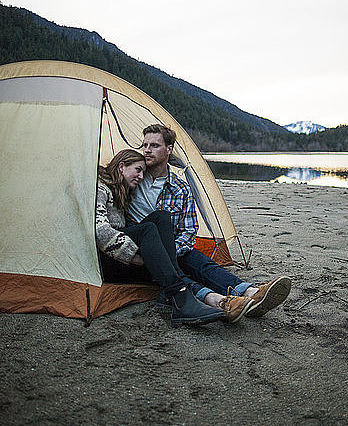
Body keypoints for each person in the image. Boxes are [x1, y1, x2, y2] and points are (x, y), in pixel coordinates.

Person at [127, 125, 292, 319]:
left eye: (154, 145)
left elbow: (188, 231)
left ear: (169, 149)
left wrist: (171, 249)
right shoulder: (133, 175)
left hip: (172, 246)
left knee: (199, 262)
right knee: (175, 267)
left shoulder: (180, 188)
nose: (147, 150)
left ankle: (249, 293)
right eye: (145, 145)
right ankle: (220, 301)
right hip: (143, 247)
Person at [96, 149, 254, 325]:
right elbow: (100, 230)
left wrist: (158, 252)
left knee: (162, 217)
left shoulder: (122, 191)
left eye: (143, 172)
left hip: (128, 255)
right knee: (148, 229)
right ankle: (180, 295)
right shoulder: (101, 188)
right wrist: (136, 257)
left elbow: (185, 231)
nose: (141, 177)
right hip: (109, 262)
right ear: (121, 167)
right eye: (138, 170)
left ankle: (180, 289)